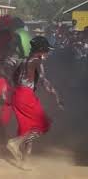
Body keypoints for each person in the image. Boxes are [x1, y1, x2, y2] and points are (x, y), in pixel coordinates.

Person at [7, 36, 63, 169]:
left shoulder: (23, 60)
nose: (47, 54)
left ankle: (25, 162)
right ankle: (15, 143)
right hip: (26, 95)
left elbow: (13, 78)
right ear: (41, 50)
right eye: (46, 51)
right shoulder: (37, 61)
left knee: (28, 128)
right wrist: (56, 96)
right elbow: (44, 81)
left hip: (18, 94)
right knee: (43, 124)